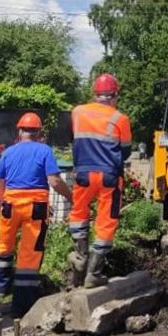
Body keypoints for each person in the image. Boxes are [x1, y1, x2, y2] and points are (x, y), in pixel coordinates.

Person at [0, 112, 72, 317]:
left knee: (4, 245)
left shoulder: (8, 153)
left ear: (19, 131)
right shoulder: (44, 150)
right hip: (35, 206)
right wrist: (71, 197)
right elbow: (54, 181)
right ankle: (22, 305)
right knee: (29, 253)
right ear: (38, 132)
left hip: (10, 204)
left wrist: (3, 203)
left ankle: (0, 290)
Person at [68, 73, 132, 288]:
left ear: (95, 94)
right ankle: (93, 273)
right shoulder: (120, 119)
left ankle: (80, 257)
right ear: (114, 96)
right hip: (109, 176)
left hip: (83, 174)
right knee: (106, 222)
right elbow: (126, 152)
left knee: (78, 214)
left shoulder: (77, 112)